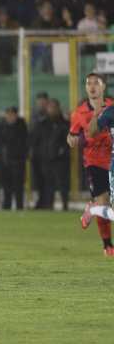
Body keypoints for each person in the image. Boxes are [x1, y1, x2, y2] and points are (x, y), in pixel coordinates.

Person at [73, 74, 114, 255]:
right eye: (88, 83)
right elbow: (78, 133)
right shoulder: (80, 112)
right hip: (95, 161)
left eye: (96, 83)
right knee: (104, 201)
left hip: (110, 159)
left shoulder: (111, 105)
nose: (92, 87)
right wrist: (73, 140)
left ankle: (94, 208)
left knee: (108, 207)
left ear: (103, 86)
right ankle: (107, 245)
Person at [33, 99, 70, 210]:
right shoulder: (42, 124)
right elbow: (36, 140)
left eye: (54, 107)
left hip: (61, 160)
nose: (51, 109)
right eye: (50, 107)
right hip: (46, 159)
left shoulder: (65, 124)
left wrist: (62, 150)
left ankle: (65, 206)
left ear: (58, 108)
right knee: (48, 184)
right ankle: (49, 206)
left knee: (62, 184)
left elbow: (68, 140)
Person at [0, 106, 28, 210]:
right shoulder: (1, 126)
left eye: (12, 114)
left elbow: (25, 143)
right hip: (4, 161)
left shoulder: (21, 126)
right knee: (6, 187)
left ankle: (19, 207)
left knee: (18, 187)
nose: (10, 116)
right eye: (8, 114)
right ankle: (6, 207)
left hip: (18, 161)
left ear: (16, 115)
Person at [30, 92, 49, 208]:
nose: (41, 104)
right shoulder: (34, 117)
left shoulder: (51, 116)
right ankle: (41, 201)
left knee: (47, 179)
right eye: (39, 102)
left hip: (47, 153)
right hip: (36, 153)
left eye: (43, 101)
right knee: (38, 180)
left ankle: (46, 201)